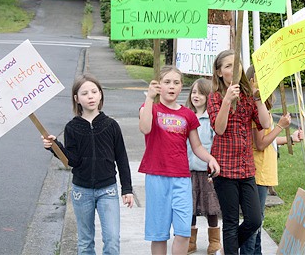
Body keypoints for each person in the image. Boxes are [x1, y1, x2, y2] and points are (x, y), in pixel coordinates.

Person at [42, 73, 134, 254]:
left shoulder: (111, 125)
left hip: (108, 189)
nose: (90, 96)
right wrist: (55, 146)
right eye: (85, 93)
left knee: (112, 240)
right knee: (85, 242)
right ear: (76, 99)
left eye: (94, 91)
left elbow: (121, 158)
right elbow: (72, 161)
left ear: (100, 94)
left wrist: (127, 189)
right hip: (81, 192)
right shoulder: (72, 127)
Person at [138, 66, 220, 255]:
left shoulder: (187, 114)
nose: (171, 86)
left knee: (183, 232)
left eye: (176, 82)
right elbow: (145, 128)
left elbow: (197, 146)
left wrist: (210, 159)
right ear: (159, 85)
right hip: (157, 177)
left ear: (182, 86)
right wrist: (149, 98)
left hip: (182, 179)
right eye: (167, 82)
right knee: (159, 234)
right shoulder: (150, 108)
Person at [207, 50, 271, 255]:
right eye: (228, 66)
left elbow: (265, 123)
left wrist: (257, 98)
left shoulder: (246, 96)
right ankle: (231, 250)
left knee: (254, 219)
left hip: (246, 168)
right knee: (231, 221)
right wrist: (227, 100)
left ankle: (229, 249)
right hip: (225, 169)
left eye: (237, 64)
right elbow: (219, 128)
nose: (234, 69)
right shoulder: (215, 97)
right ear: (218, 72)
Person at [240, 65, 304, 255]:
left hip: (264, 171)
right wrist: (280, 126)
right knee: (254, 223)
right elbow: (260, 144)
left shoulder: (263, 108)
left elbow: (268, 140)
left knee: (258, 222)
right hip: (257, 172)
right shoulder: (255, 108)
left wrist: (289, 138)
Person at [185, 78, 222, 255]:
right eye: (193, 92)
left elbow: (215, 143)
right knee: (189, 206)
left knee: (211, 206)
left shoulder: (211, 120)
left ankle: (214, 241)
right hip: (188, 169)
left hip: (206, 171)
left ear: (208, 96)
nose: (196, 96)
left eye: (200, 93)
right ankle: (190, 240)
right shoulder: (185, 116)